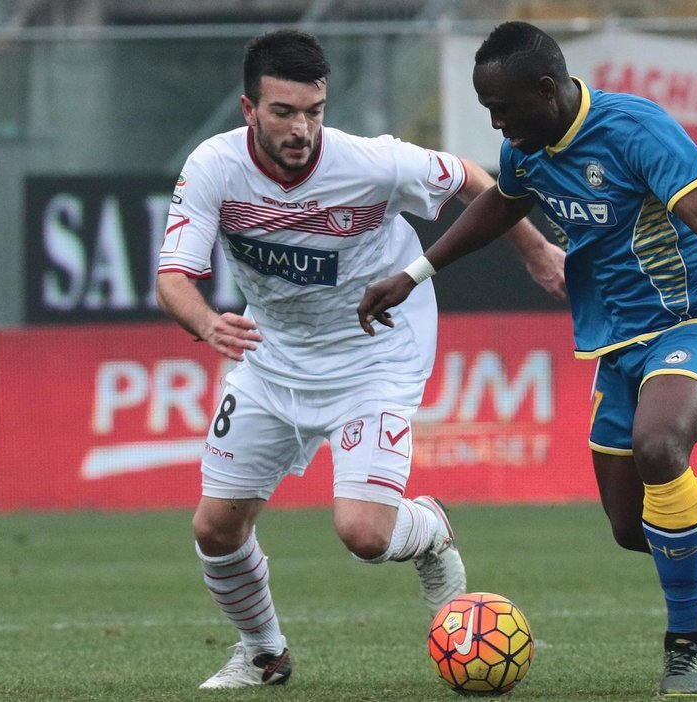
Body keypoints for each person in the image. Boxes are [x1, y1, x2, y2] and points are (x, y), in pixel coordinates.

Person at [358, 21, 697, 697]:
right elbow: (502, 206)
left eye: (502, 108)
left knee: (659, 447)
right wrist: (415, 272)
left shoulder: (634, 129)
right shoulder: (528, 148)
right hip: (617, 345)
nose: (496, 123)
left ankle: (685, 648)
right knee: (634, 527)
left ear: (546, 89)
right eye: (486, 110)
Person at [155, 28, 566, 690]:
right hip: (271, 355)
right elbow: (173, 278)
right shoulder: (213, 168)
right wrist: (207, 322)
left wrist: (537, 252)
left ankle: (429, 528)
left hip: (375, 352)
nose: (302, 129)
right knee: (216, 528)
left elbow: (469, 177)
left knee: (364, 534)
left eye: (313, 111)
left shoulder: (369, 163)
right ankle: (264, 655)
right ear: (248, 110)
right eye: (284, 112)